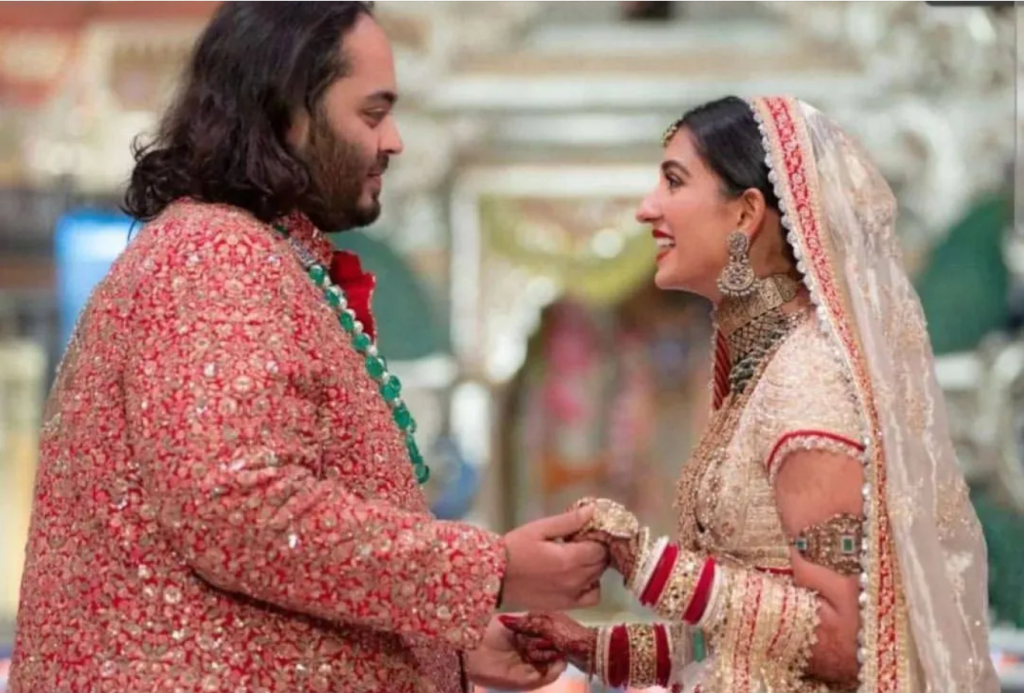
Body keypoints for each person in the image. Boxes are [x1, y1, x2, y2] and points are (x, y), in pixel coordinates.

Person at [7, 4, 608, 692]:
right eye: (372, 113)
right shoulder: (216, 257)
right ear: (289, 111)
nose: (394, 141)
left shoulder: (256, 256)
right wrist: (487, 571)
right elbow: (238, 509)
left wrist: (441, 642)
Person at [503, 95, 1000, 693]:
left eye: (673, 181)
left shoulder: (810, 383)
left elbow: (846, 642)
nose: (646, 208)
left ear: (745, 214)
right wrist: (595, 648)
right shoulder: (764, 370)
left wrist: (649, 563)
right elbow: (747, 637)